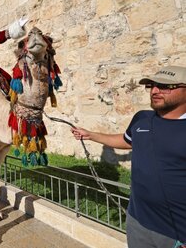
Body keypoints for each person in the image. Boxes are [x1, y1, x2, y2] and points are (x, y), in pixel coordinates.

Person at [71, 65, 186, 247]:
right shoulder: (142, 118)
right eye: (152, 85)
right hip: (137, 221)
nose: (155, 91)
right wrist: (90, 135)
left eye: (165, 86)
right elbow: (127, 140)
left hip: (176, 233)